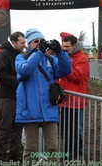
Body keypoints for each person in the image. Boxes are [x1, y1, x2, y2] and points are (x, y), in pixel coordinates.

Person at [15, 29, 72, 162]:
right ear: (29, 44)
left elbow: (66, 70)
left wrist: (60, 52)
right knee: (30, 148)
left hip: (49, 109)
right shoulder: (21, 57)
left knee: (53, 147)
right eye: (36, 42)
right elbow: (25, 70)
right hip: (29, 110)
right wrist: (40, 52)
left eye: (41, 41)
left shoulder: (50, 59)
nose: (39, 44)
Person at [0, 31, 26, 162]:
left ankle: (14, 154)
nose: (24, 45)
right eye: (22, 43)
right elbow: (0, 73)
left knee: (17, 128)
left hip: (19, 97)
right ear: (13, 42)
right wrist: (18, 82)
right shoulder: (4, 54)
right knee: (5, 128)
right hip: (8, 97)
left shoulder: (20, 55)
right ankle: (1, 158)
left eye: (25, 42)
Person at [59, 32, 90, 160]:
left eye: (67, 46)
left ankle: (77, 153)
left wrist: (65, 66)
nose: (64, 49)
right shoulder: (64, 56)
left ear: (75, 45)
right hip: (64, 100)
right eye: (63, 46)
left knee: (76, 130)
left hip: (76, 101)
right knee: (66, 130)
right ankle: (68, 152)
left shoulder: (82, 58)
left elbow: (77, 76)